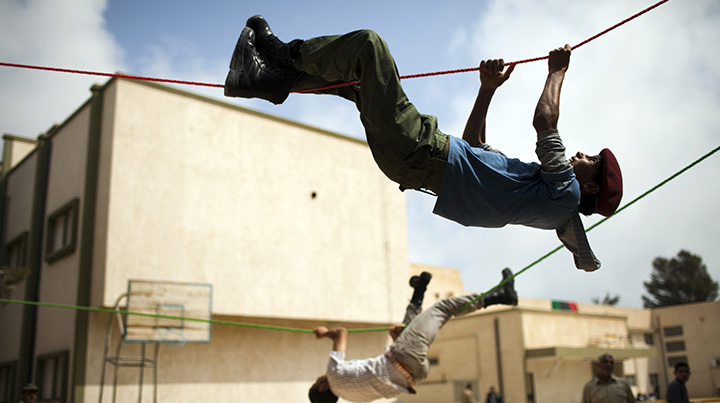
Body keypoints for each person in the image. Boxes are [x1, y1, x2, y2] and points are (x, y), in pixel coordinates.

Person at [223, 16, 624, 272]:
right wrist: (486, 91)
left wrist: (556, 73)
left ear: (590, 186)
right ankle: (261, 81)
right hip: (414, 158)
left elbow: (544, 121)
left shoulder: (564, 192)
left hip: (420, 150)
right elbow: (474, 146)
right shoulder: (539, 194)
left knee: (369, 47)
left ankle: (280, 56)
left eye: (591, 161)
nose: (582, 155)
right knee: (359, 83)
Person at [308, 269, 517, 403]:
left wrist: (395, 344)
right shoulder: (334, 375)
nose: (319, 377)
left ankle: (418, 292)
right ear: (322, 388)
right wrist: (323, 333)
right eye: (317, 381)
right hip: (403, 358)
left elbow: (380, 377)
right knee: (442, 308)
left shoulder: (353, 398)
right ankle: (500, 295)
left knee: (406, 330)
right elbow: (341, 333)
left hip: (415, 375)